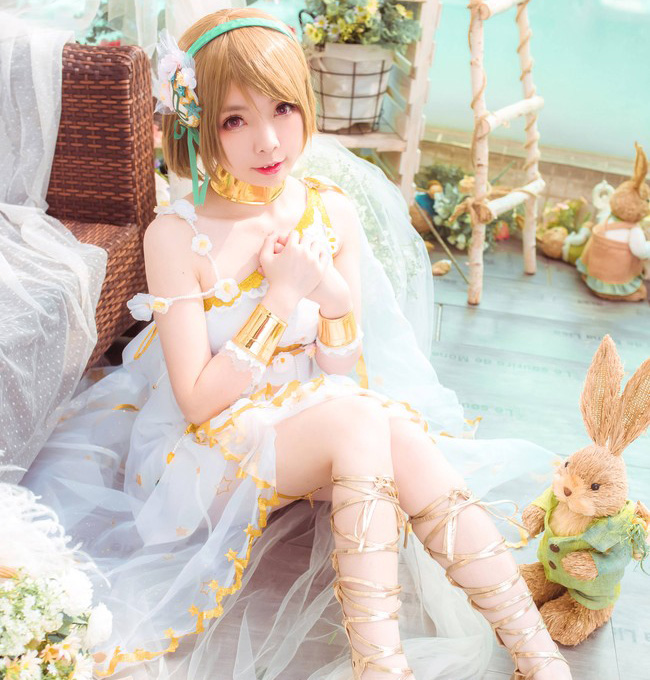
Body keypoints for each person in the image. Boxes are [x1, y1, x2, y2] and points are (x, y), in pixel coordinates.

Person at [24, 8, 573, 680]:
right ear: (198, 124)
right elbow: (196, 400)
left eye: (283, 108)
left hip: (308, 431)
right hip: (205, 456)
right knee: (362, 421)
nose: (267, 140)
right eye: (234, 120)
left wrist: (333, 296)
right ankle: (382, 667)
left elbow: (340, 364)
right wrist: (282, 296)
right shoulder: (177, 236)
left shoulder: (328, 208)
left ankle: (536, 653)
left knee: (394, 433)